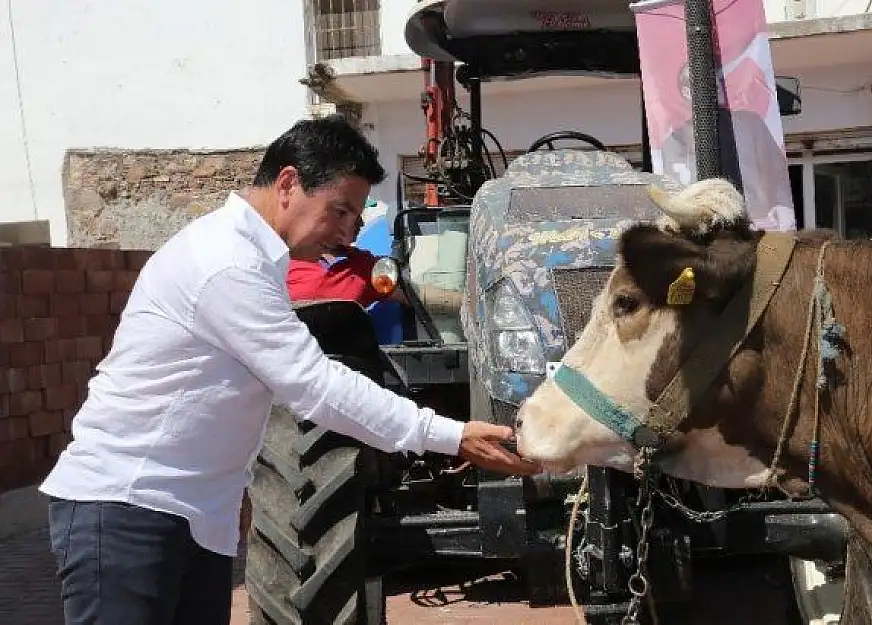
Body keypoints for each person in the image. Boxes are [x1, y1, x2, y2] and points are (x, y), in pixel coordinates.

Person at [38, 115, 539, 625]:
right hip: (130, 509)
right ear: (287, 183)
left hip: (191, 519)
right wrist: (448, 435)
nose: (347, 232)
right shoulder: (226, 262)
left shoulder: (256, 260)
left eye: (355, 218)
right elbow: (314, 383)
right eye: (339, 211)